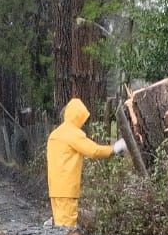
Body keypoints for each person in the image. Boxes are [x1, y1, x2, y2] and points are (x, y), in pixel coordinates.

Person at [46, 97, 126, 227]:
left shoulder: (55, 134)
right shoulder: (73, 134)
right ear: (78, 117)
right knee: (67, 228)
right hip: (67, 188)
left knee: (59, 225)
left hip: (54, 187)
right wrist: (114, 148)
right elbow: (93, 150)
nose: (83, 123)